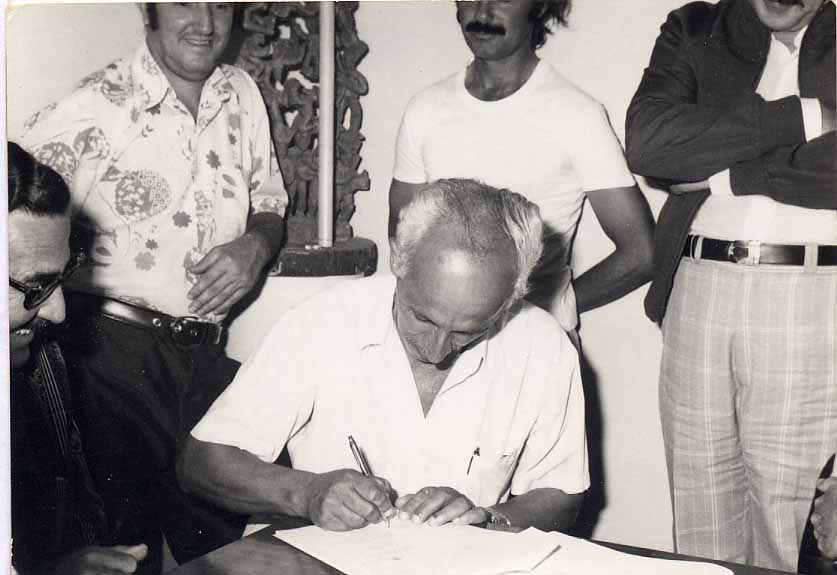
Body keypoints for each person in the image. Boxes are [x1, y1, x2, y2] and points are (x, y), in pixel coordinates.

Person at [16, 2, 288, 568]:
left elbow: (270, 203)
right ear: (149, 8)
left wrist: (256, 246)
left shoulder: (241, 93)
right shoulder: (93, 105)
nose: (205, 23)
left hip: (203, 356)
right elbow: (17, 208)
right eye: (185, 1)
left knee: (238, 549)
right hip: (108, 356)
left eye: (221, 4)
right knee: (120, 551)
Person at [177, 178, 588, 533]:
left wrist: (487, 518)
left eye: (468, 331)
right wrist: (306, 493)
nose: (436, 351)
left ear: (512, 298)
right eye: (421, 317)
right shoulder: (323, 320)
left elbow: (560, 493)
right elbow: (200, 462)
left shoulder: (544, 347)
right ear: (398, 260)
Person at [625, 0, 836, 570]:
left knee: (791, 524)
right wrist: (805, 118)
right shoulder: (695, 27)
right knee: (699, 528)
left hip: (812, 296)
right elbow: (649, 142)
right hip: (698, 288)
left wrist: (727, 176)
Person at [388, 0, 654, 335]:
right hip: (440, 341)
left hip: (532, 342)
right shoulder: (425, 109)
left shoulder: (576, 114)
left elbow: (643, 253)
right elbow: (403, 238)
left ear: (539, 6)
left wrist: (556, 305)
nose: (483, 13)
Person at [8, 142, 149, 574]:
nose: (58, 312)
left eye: (61, 279)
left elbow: (76, 522)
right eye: (35, 287)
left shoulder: (40, 362)